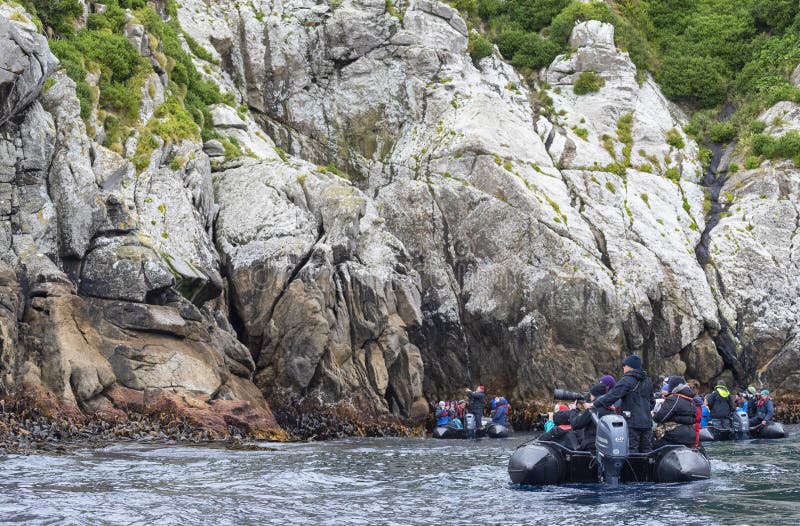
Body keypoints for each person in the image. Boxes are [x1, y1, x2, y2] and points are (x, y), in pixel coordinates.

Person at [593, 354, 654, 452]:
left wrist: (594, 404)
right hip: (647, 422)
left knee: (632, 450)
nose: (623, 367)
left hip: (632, 423)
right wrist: (645, 411)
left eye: (625, 365)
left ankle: (633, 468)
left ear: (630, 366)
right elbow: (652, 401)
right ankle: (647, 468)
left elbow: (612, 395)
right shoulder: (648, 381)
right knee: (647, 450)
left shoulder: (627, 379)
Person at [653, 376, 699, 448]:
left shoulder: (674, 399)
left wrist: (653, 415)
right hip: (690, 435)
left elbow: (659, 418)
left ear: (672, 386)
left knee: (650, 442)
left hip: (675, 436)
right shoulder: (691, 399)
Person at [569, 383, 616, 451]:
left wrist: (573, 410)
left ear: (594, 396)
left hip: (591, 447)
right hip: (607, 446)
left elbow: (576, 424)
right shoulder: (612, 408)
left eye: (590, 395)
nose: (590, 398)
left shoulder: (594, 408)